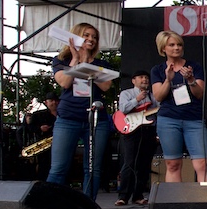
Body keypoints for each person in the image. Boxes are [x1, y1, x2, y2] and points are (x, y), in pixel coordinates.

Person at [48, 22, 113, 199]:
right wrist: (78, 60)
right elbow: (65, 83)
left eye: (94, 37)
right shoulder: (61, 60)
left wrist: (89, 64)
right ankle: (48, 203)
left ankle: (86, 204)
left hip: (95, 120)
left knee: (92, 168)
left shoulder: (101, 63)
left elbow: (106, 86)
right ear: (76, 36)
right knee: (59, 167)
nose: (91, 39)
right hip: (68, 118)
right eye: (86, 35)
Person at [150, 30, 207, 182]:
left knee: (202, 163)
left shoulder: (194, 66)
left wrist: (191, 79)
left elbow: (199, 94)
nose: (176, 48)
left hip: (193, 120)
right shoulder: (157, 70)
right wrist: (168, 80)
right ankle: (175, 201)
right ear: (163, 48)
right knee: (173, 164)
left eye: (179, 44)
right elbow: (158, 96)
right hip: (168, 120)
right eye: (172, 45)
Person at [116, 70, 159, 206]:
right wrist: (137, 100)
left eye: (146, 77)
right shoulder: (126, 93)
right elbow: (122, 109)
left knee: (144, 164)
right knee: (129, 162)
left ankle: (138, 195)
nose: (145, 80)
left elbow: (158, 112)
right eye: (141, 77)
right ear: (134, 80)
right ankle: (123, 196)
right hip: (132, 131)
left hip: (148, 131)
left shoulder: (153, 96)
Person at [24, 92, 60, 180]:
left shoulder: (64, 114)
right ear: (46, 102)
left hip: (61, 144)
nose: (54, 103)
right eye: (51, 101)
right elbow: (28, 127)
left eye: (56, 101)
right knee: (44, 167)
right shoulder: (38, 115)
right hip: (44, 146)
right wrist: (39, 128)